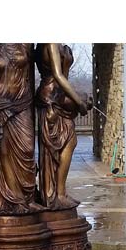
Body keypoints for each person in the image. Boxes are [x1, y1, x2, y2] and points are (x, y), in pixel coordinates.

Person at [0, 43, 41, 215]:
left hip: (21, 100)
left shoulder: (23, 42)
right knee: (3, 152)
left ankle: (29, 197)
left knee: (26, 149)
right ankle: (16, 200)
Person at [35, 43, 88, 210]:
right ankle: (56, 194)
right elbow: (58, 75)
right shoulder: (50, 43)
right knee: (62, 143)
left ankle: (60, 191)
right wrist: (79, 102)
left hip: (58, 93)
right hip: (52, 96)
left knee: (66, 142)